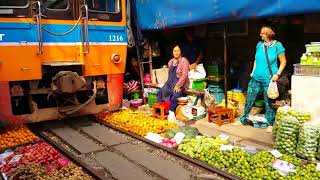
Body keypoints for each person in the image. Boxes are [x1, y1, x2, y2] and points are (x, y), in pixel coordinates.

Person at [240, 25, 287, 128]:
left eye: (262, 33)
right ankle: (243, 119)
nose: (260, 35)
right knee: (249, 100)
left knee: (269, 102)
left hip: (269, 79)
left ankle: (270, 123)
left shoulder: (277, 45)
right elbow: (256, 59)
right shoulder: (259, 44)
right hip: (255, 78)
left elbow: (283, 62)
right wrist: (252, 72)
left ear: (268, 34)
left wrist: (277, 74)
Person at [157, 45, 189, 112]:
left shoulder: (184, 60)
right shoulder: (170, 61)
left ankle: (171, 112)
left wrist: (178, 85)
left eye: (178, 51)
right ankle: (161, 110)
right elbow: (170, 75)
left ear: (181, 52)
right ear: (172, 52)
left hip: (178, 84)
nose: (176, 53)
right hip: (169, 83)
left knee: (174, 97)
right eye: (174, 51)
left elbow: (184, 75)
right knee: (160, 92)